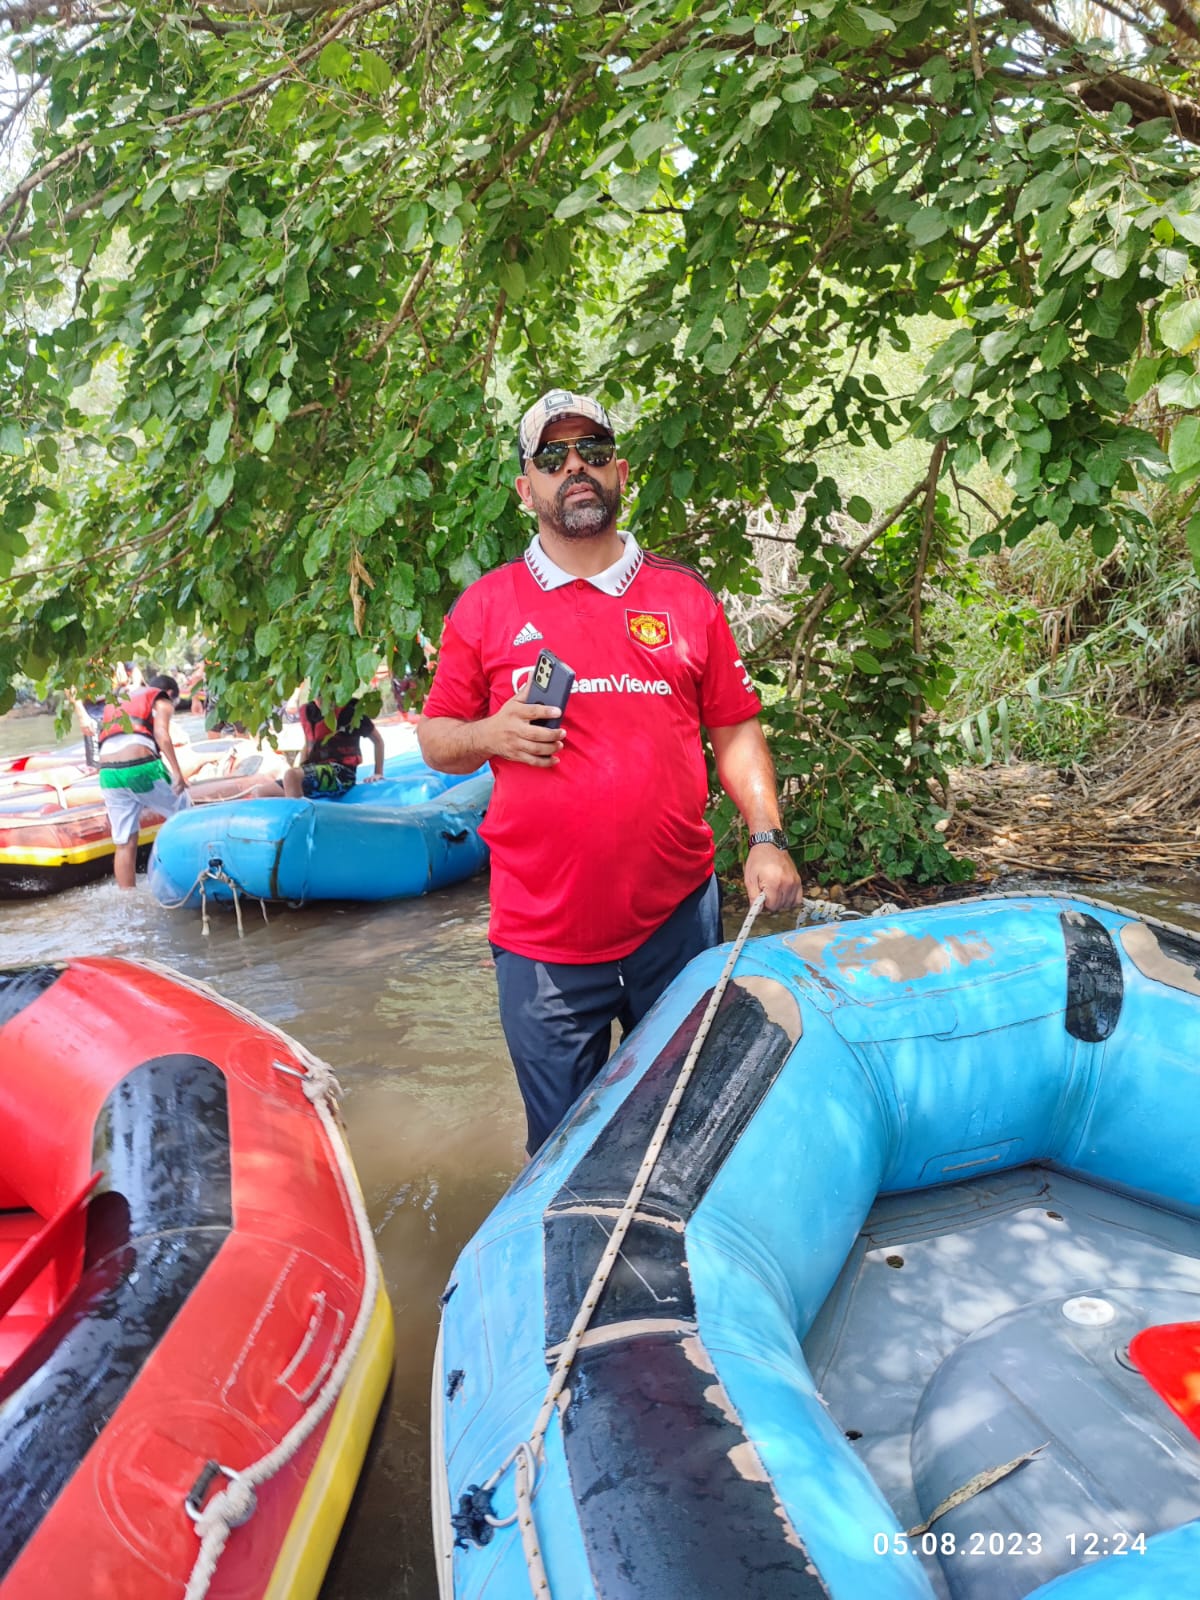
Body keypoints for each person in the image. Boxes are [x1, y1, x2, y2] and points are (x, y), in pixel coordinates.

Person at [418, 387, 804, 1155]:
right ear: (525, 488)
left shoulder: (683, 597)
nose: (576, 469)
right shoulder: (485, 608)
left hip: (676, 922)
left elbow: (733, 726)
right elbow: (434, 739)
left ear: (620, 472)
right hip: (542, 942)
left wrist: (765, 833)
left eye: (593, 452)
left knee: (689, 1133)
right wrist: (491, 732)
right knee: (565, 1153)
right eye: (554, 457)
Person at [96, 673, 191, 888]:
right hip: (141, 768)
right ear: (170, 694)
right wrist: (177, 773)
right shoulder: (162, 699)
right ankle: (188, 879)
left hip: (109, 773)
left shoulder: (120, 701)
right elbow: (161, 735)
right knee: (185, 814)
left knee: (124, 841)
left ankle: (127, 898)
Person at [280, 697, 386, 798]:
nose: (322, 699)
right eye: (318, 695)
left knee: (291, 776)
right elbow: (308, 744)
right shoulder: (310, 712)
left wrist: (378, 773)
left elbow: (378, 741)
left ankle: (302, 816)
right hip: (315, 771)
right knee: (264, 791)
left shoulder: (351, 711)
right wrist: (300, 772)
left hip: (342, 775)